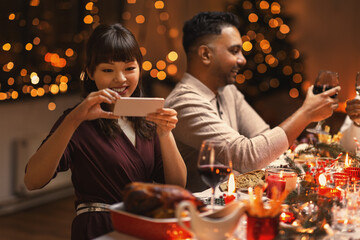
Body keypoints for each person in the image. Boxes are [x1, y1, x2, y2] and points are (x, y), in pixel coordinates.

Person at [24, 23, 186, 240]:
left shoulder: (148, 120)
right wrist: (74, 120)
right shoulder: (76, 120)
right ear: (90, 72)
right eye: (108, 70)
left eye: (129, 68)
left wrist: (166, 134)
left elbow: (176, 186)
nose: (120, 79)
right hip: (99, 229)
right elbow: (32, 181)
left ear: (140, 68)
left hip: (143, 226)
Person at [164, 11, 340, 192]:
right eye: (234, 51)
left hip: (233, 204)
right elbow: (248, 156)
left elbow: (263, 136)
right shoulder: (184, 102)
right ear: (205, 54)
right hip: (200, 212)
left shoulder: (228, 91)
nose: (242, 59)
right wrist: (306, 113)